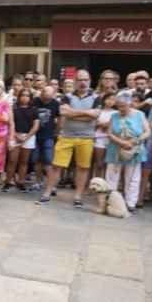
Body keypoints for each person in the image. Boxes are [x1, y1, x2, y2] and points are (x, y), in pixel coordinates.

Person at [38, 70, 99, 209]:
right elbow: (64, 112)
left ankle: (77, 196)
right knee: (56, 166)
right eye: (80, 80)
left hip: (86, 137)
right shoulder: (67, 96)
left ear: (89, 81)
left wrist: (74, 113)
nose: (83, 82)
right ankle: (47, 194)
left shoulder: (96, 97)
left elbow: (95, 115)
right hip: (66, 136)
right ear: (75, 81)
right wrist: (87, 113)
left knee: (82, 167)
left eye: (85, 80)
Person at [104, 90, 151, 212]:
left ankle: (130, 203)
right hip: (116, 148)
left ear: (129, 103)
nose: (121, 108)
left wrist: (136, 141)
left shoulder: (140, 115)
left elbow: (147, 132)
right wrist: (122, 142)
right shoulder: (114, 115)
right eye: (118, 105)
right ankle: (111, 200)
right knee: (112, 175)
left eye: (123, 106)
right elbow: (109, 132)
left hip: (134, 149)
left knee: (133, 177)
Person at [4, 88, 39, 192]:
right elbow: (9, 124)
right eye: (23, 95)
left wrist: (26, 137)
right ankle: (8, 181)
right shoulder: (13, 109)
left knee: (24, 161)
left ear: (30, 98)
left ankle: (21, 182)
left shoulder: (34, 110)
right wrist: (15, 134)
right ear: (19, 97)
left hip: (28, 137)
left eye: (27, 96)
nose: (25, 98)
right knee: (12, 160)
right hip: (15, 135)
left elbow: (36, 126)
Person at [29, 85, 61, 193]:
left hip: (48, 135)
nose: (47, 101)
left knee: (48, 160)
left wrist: (56, 130)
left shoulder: (55, 103)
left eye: (49, 99)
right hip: (35, 135)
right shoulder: (34, 101)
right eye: (45, 99)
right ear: (41, 94)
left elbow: (60, 117)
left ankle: (51, 185)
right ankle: (39, 182)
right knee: (36, 159)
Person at [92, 91, 117, 181]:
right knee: (99, 164)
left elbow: (116, 125)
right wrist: (101, 124)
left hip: (111, 139)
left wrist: (105, 124)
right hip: (99, 138)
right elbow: (93, 124)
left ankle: (107, 184)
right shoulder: (99, 112)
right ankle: (98, 182)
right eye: (108, 99)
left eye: (113, 99)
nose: (110, 101)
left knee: (109, 164)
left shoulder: (116, 113)